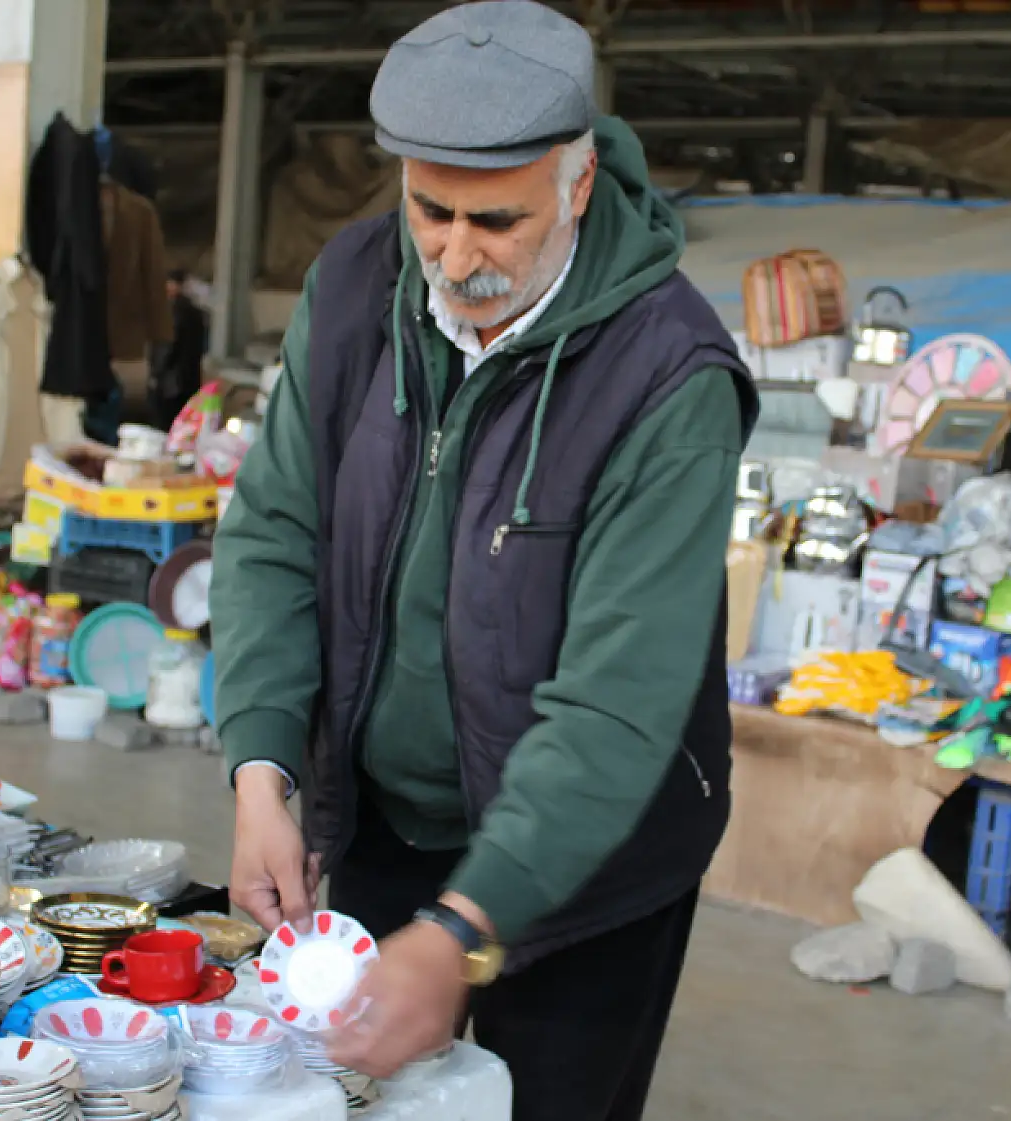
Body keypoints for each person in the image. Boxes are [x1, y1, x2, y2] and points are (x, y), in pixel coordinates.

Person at [210, 3, 757, 1118]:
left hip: (589, 864)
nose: (455, 256)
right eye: (430, 210)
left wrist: (463, 927)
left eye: (495, 221)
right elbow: (274, 530)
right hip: (381, 828)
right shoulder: (358, 287)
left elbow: (615, 706)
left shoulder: (669, 377)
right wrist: (261, 768)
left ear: (578, 183)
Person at [149, 269, 208, 429]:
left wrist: (156, 373)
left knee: (163, 426)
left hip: (171, 383)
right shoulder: (197, 312)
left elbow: (167, 346)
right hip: (190, 379)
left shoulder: (172, 311)